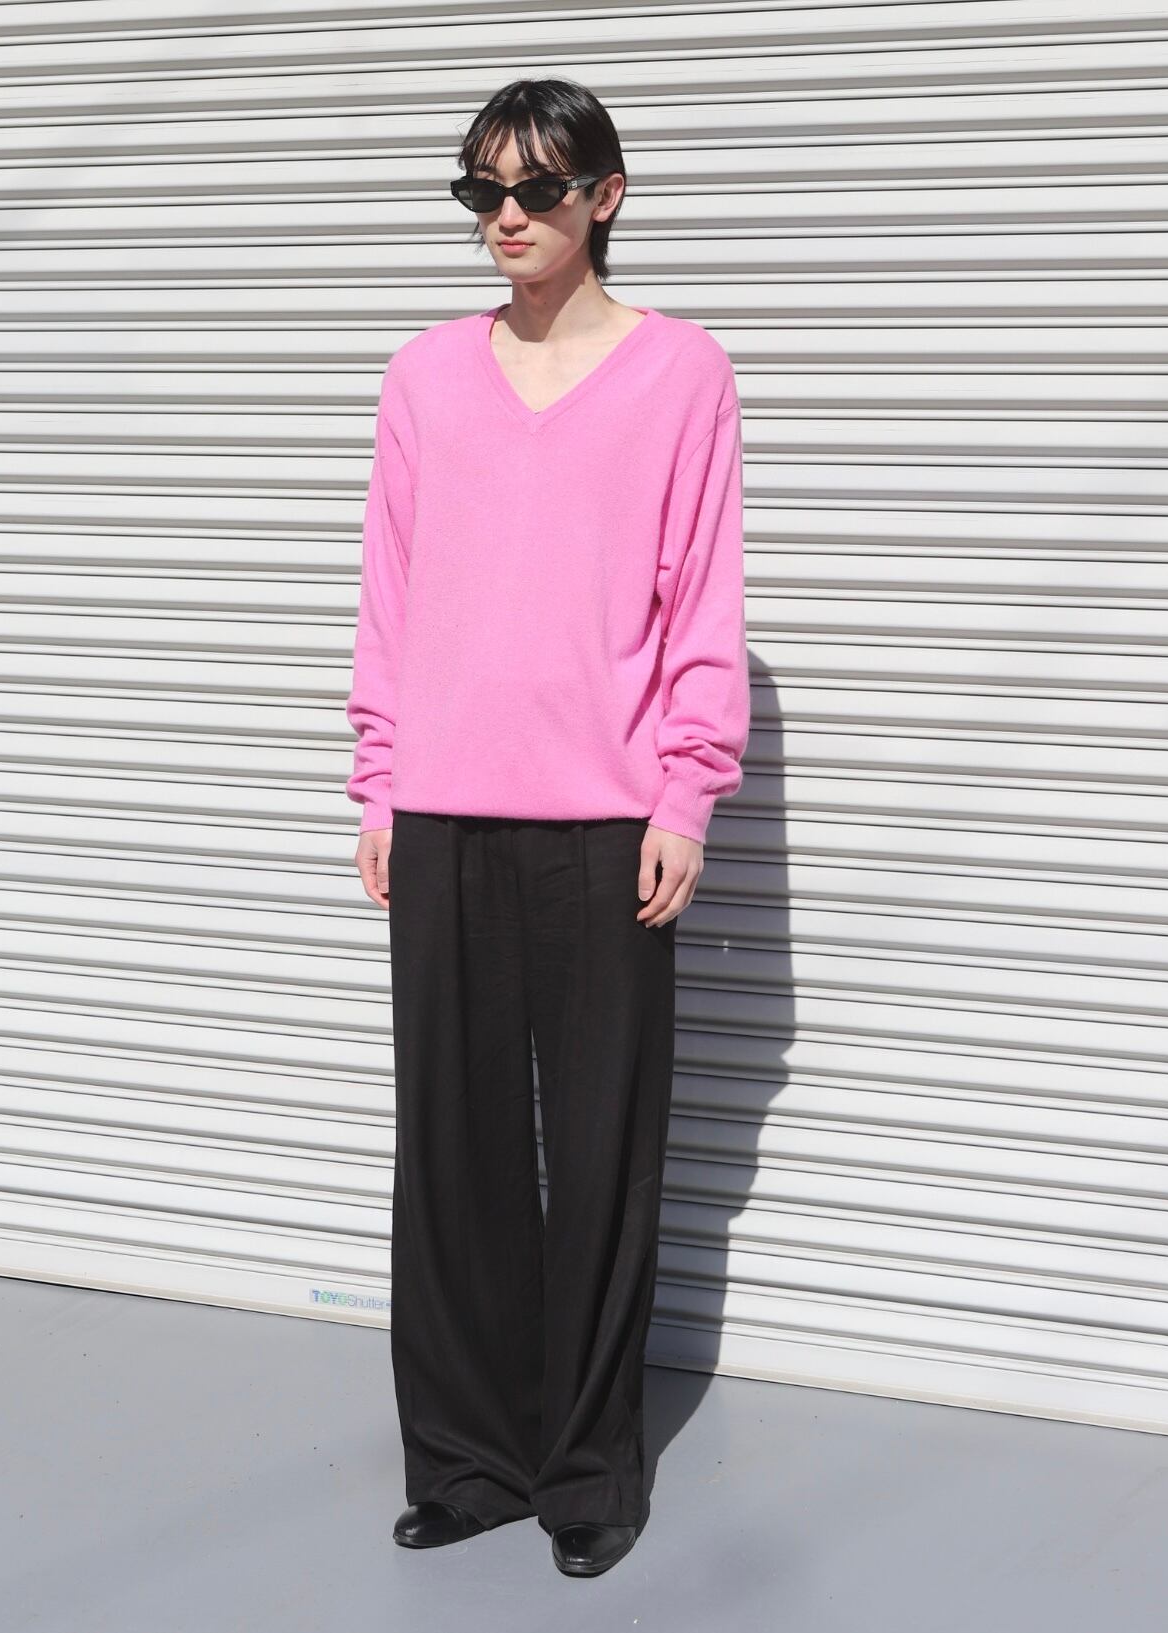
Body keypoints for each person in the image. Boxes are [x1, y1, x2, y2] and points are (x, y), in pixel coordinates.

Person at [345, 76, 750, 1578]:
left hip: (605, 823)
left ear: (605, 195)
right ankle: (467, 1457)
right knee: (449, 1150)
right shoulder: (424, 378)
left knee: (599, 1155)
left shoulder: (680, 375)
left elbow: (701, 598)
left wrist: (685, 791)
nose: (503, 216)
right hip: (445, 812)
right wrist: (381, 779)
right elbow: (390, 596)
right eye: (479, 191)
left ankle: (586, 1467)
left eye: (534, 188)